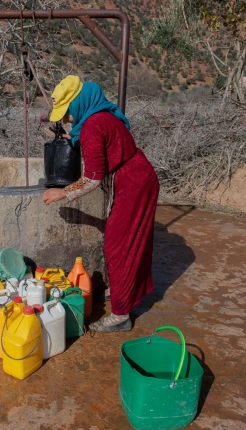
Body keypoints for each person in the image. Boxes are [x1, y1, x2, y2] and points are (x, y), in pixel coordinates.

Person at [42, 75, 159, 333]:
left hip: (133, 185)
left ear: (79, 104)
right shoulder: (102, 114)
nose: (67, 120)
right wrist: (69, 134)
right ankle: (122, 294)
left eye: (68, 114)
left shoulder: (93, 127)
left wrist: (62, 194)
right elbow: (92, 140)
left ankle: (120, 316)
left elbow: (93, 177)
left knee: (118, 246)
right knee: (125, 242)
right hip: (137, 177)